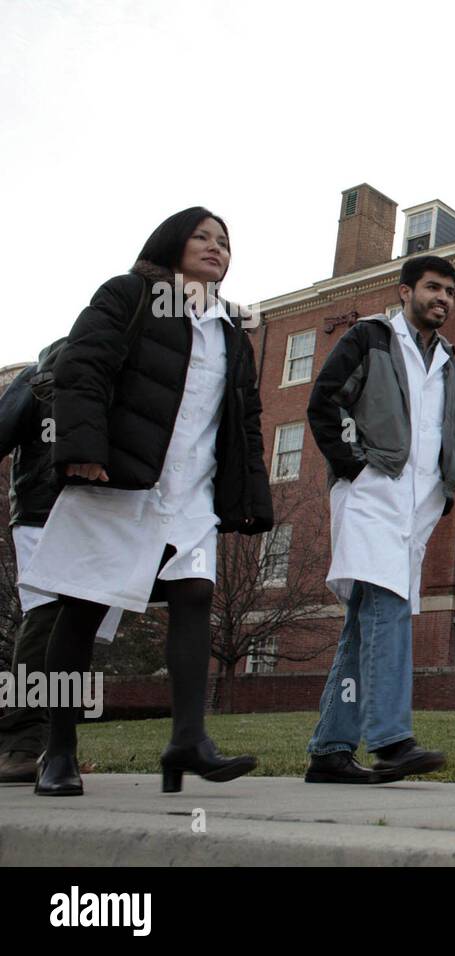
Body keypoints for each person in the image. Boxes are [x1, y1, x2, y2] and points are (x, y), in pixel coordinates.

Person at [19, 207, 274, 795]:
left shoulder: (233, 333)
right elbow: (82, 369)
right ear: (172, 243)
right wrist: (82, 448)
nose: (216, 248)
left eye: (225, 242)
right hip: (121, 477)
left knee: (194, 597)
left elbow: (246, 421)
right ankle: (58, 751)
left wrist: (250, 497)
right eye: (202, 237)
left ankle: (187, 741)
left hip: (190, 493)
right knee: (82, 609)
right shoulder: (128, 294)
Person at [304, 254, 455, 784]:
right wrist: (354, 466)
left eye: (450, 290)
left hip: (416, 511)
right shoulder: (369, 338)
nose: (442, 297)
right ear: (404, 291)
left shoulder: (451, 366)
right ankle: (392, 740)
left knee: (363, 622)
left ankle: (330, 750)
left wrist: (445, 491)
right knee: (388, 608)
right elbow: (325, 403)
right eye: (432, 288)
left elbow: (451, 434)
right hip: (371, 495)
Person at [0, 342, 124, 784]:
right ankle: (20, 741)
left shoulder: (131, 375)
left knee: (81, 626)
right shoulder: (39, 378)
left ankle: (56, 745)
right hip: (42, 512)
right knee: (45, 617)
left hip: (102, 515)